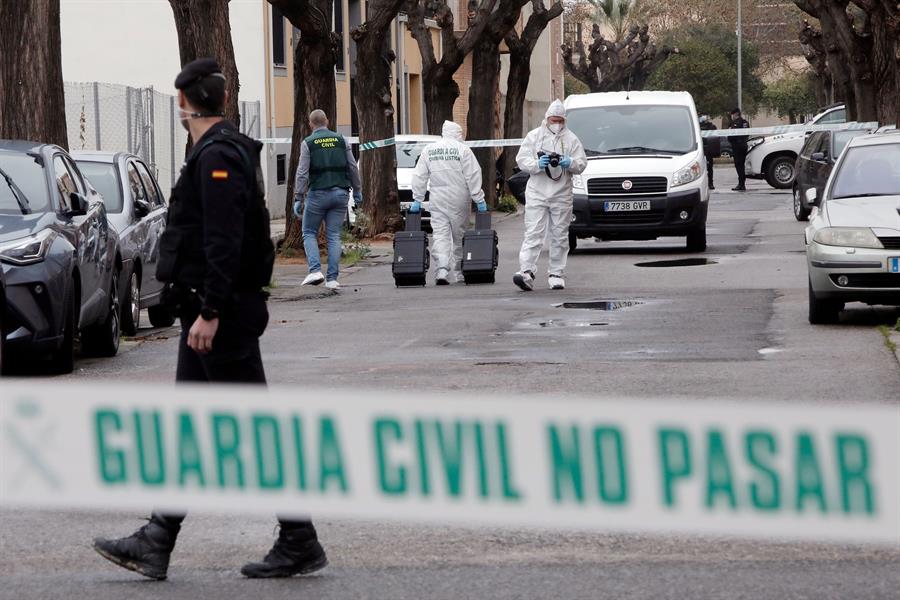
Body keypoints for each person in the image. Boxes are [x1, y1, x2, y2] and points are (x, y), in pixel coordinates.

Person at [92, 58, 327, 581]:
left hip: (220, 317)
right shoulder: (214, 150)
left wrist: (211, 311)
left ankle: (298, 537)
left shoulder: (218, 156)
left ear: (184, 103)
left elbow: (225, 240)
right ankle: (159, 539)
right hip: (209, 313)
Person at [513, 99, 587, 291]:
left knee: (560, 235)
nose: (557, 124)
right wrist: (538, 164)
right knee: (533, 232)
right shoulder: (534, 137)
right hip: (537, 191)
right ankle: (526, 271)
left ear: (564, 120)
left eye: (560, 120)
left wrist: (569, 162)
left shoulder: (571, 139)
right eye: (554, 120)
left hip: (561, 193)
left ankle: (556, 273)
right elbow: (522, 160)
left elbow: (581, 164)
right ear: (547, 119)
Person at [409, 120, 487, 285]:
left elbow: (420, 175)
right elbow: (472, 175)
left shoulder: (430, 150)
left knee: (440, 235)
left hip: (437, 197)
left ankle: (442, 270)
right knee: (459, 235)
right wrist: (478, 198)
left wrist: (417, 198)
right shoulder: (463, 150)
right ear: (458, 134)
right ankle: (459, 272)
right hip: (459, 197)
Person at [294, 109, 363, 289]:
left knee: (309, 232)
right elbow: (352, 167)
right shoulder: (341, 140)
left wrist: (298, 197)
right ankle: (332, 279)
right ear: (327, 121)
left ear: (311, 124)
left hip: (317, 194)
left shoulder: (308, 143)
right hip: (340, 194)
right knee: (333, 235)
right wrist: (357, 191)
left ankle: (315, 270)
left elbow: (302, 173)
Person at [728, 108, 750, 191]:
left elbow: (731, 136)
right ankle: (741, 183)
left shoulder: (734, 123)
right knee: (741, 165)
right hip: (744, 145)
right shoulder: (745, 122)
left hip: (737, 146)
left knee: (739, 166)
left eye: (732, 114)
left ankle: (741, 184)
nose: (732, 116)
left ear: (736, 114)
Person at [699, 115, 720, 190]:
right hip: (699, 150)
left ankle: (710, 183)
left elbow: (716, 138)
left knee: (709, 168)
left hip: (708, 150)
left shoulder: (711, 127)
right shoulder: (697, 126)